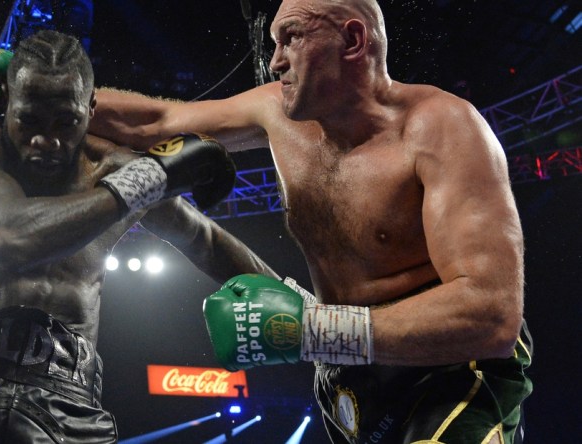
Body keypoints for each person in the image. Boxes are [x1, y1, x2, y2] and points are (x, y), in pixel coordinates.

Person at [88, 1, 533, 443]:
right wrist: (43, 90)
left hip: (452, 369)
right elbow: (158, 121)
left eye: (292, 37)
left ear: (353, 40)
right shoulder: (275, 113)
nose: (276, 60)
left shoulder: (441, 126)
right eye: (274, 43)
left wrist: (313, 330)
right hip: (348, 378)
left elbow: (492, 315)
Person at [0, 30, 277, 444]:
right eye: (30, 120)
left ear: (90, 108)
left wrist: (309, 316)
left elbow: (204, 239)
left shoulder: (116, 168)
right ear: (6, 99)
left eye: (67, 121)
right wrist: (147, 180)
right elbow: (7, 237)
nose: (48, 140)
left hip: (65, 400)